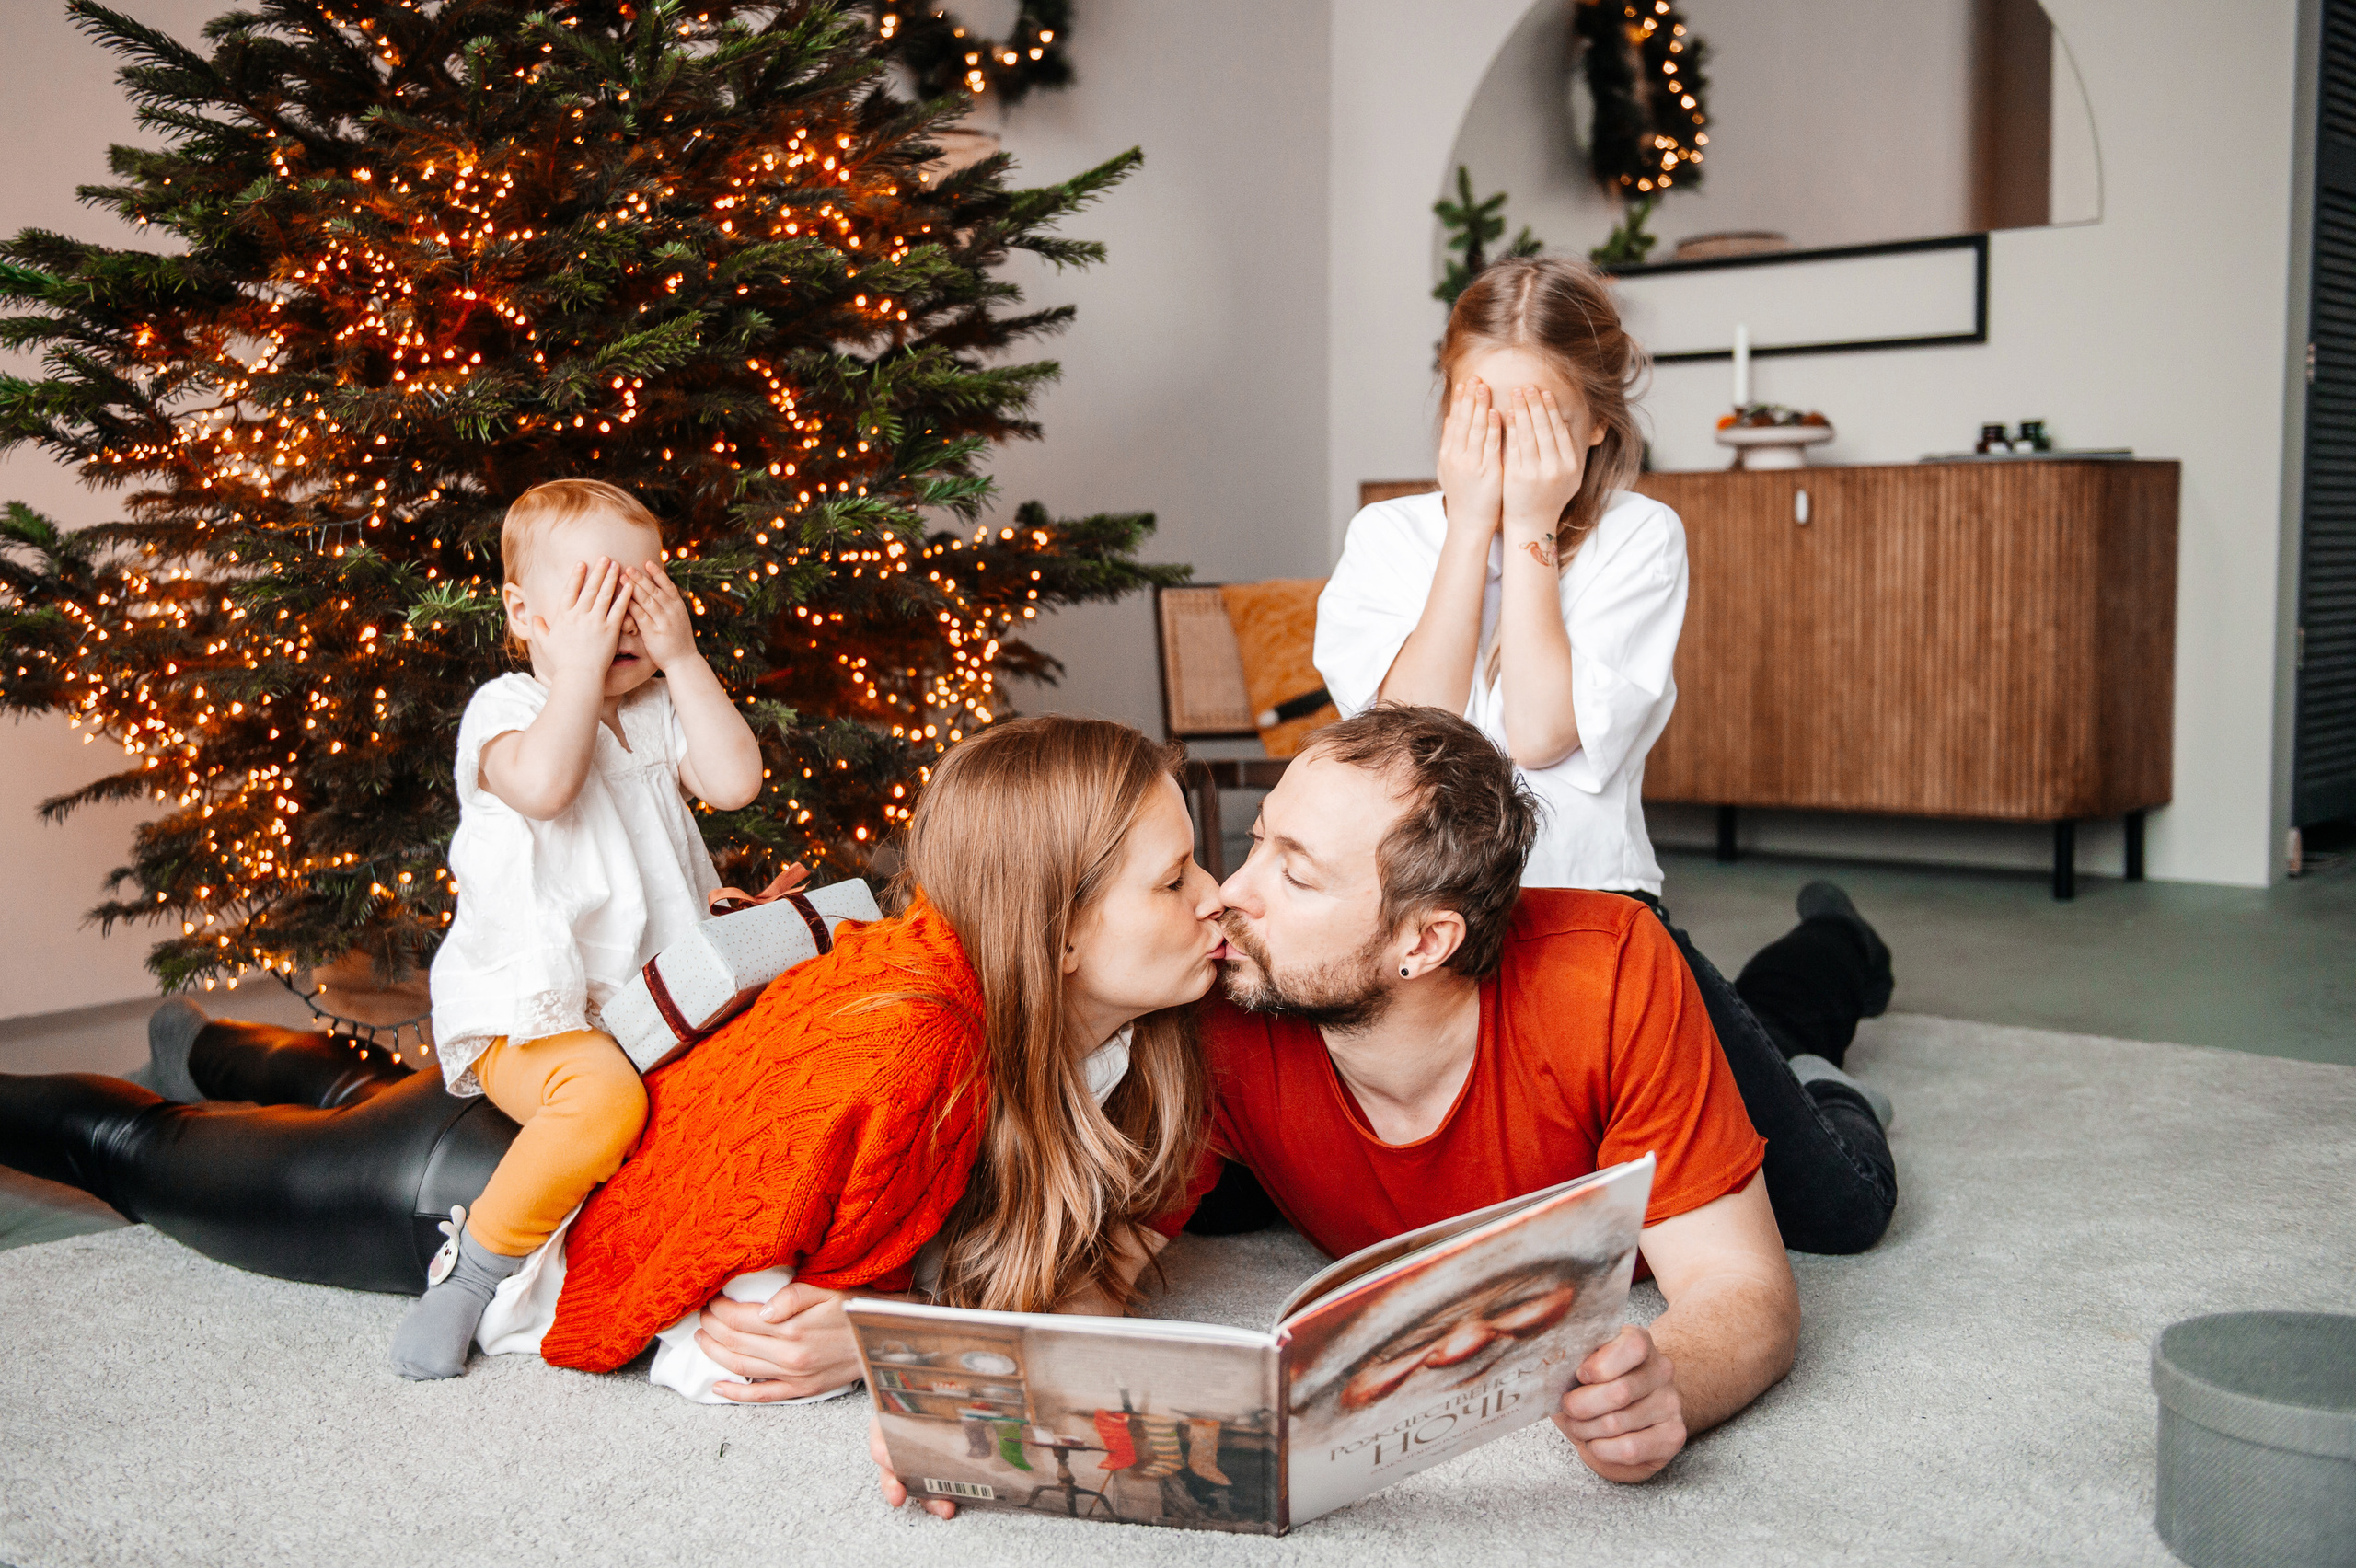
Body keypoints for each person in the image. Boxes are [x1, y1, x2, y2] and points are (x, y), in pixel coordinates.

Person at [0, 715, 1227, 1399]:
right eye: (1177, 879)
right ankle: (197, 1061)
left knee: (361, 1090)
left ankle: (213, 1044)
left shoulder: (1143, 1039)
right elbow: (730, 1337)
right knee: (140, 1153)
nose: (1218, 901)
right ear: (1056, 930)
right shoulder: (906, 1050)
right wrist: (877, 1339)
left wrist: (887, 1329)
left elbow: (1102, 1260)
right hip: (479, 1194)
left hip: (602, 1095)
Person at [1312, 256, 1897, 1253]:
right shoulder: (1387, 535)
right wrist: (1468, 532)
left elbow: (1541, 732)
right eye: (1474, 408)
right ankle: (1779, 1006)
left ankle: (1834, 977)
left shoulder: (1639, 537)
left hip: (1601, 925)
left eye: (1534, 416)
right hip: (1432, 933)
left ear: (1592, 424)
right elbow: (1407, 741)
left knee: (1837, 1206)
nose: (1500, 442)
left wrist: (1530, 532)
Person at [1200, 706, 1803, 1483]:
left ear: (1422, 942)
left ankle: (1833, 963)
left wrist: (1666, 1383)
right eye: (1256, 841)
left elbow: (1742, 1287)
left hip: (1644, 992)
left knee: (1847, 1200)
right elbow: (1103, 1267)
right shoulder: (1229, 1008)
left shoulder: (1606, 976)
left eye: (1297, 873)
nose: (1230, 893)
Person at [387, 478, 765, 1378]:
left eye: (642, 596)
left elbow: (735, 781)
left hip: (655, 1008)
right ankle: (471, 1272)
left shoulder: (653, 711)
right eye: (597, 599)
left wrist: (683, 660)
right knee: (600, 1103)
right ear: (524, 613)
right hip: (536, 1018)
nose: (623, 624)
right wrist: (578, 669)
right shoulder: (509, 710)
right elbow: (549, 784)